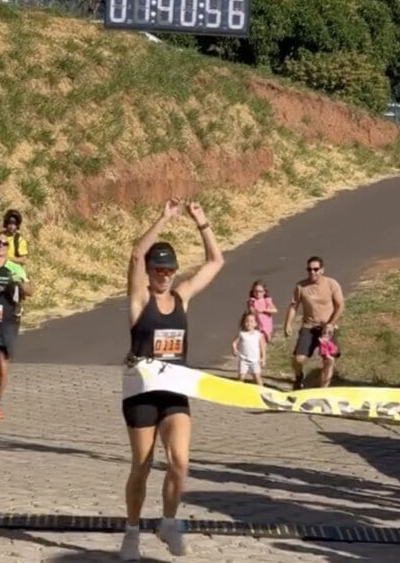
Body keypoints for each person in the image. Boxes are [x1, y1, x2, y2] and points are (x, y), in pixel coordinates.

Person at [119, 198, 224, 561]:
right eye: (158, 270)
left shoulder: (182, 297)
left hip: (175, 392)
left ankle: (167, 522)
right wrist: (162, 218)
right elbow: (135, 254)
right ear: (149, 271)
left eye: (168, 270)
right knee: (142, 466)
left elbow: (216, 263)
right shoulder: (138, 300)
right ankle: (131, 532)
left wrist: (201, 220)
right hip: (141, 394)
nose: (164, 275)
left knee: (180, 462)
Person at [284, 256, 345, 390]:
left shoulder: (331, 284)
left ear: (322, 270)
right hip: (309, 327)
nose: (312, 272)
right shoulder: (301, 286)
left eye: (316, 269)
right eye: (309, 269)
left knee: (329, 359)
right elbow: (294, 306)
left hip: (327, 329)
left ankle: (323, 390)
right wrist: (287, 324)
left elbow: (340, 305)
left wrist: (330, 323)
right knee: (298, 359)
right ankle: (299, 376)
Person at [0, 234, 32, 420]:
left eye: (4, 244)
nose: (0, 246)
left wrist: (19, 282)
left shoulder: (14, 268)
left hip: (6, 324)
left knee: (2, 369)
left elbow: (30, 291)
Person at [231, 311, 265, 386]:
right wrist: (234, 350)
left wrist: (263, 358)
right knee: (241, 378)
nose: (249, 323)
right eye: (247, 321)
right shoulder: (242, 334)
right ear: (243, 322)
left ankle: (263, 392)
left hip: (255, 361)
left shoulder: (258, 334)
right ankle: (237, 391)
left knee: (257, 377)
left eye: (252, 321)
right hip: (244, 360)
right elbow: (234, 343)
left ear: (256, 324)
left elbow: (262, 347)